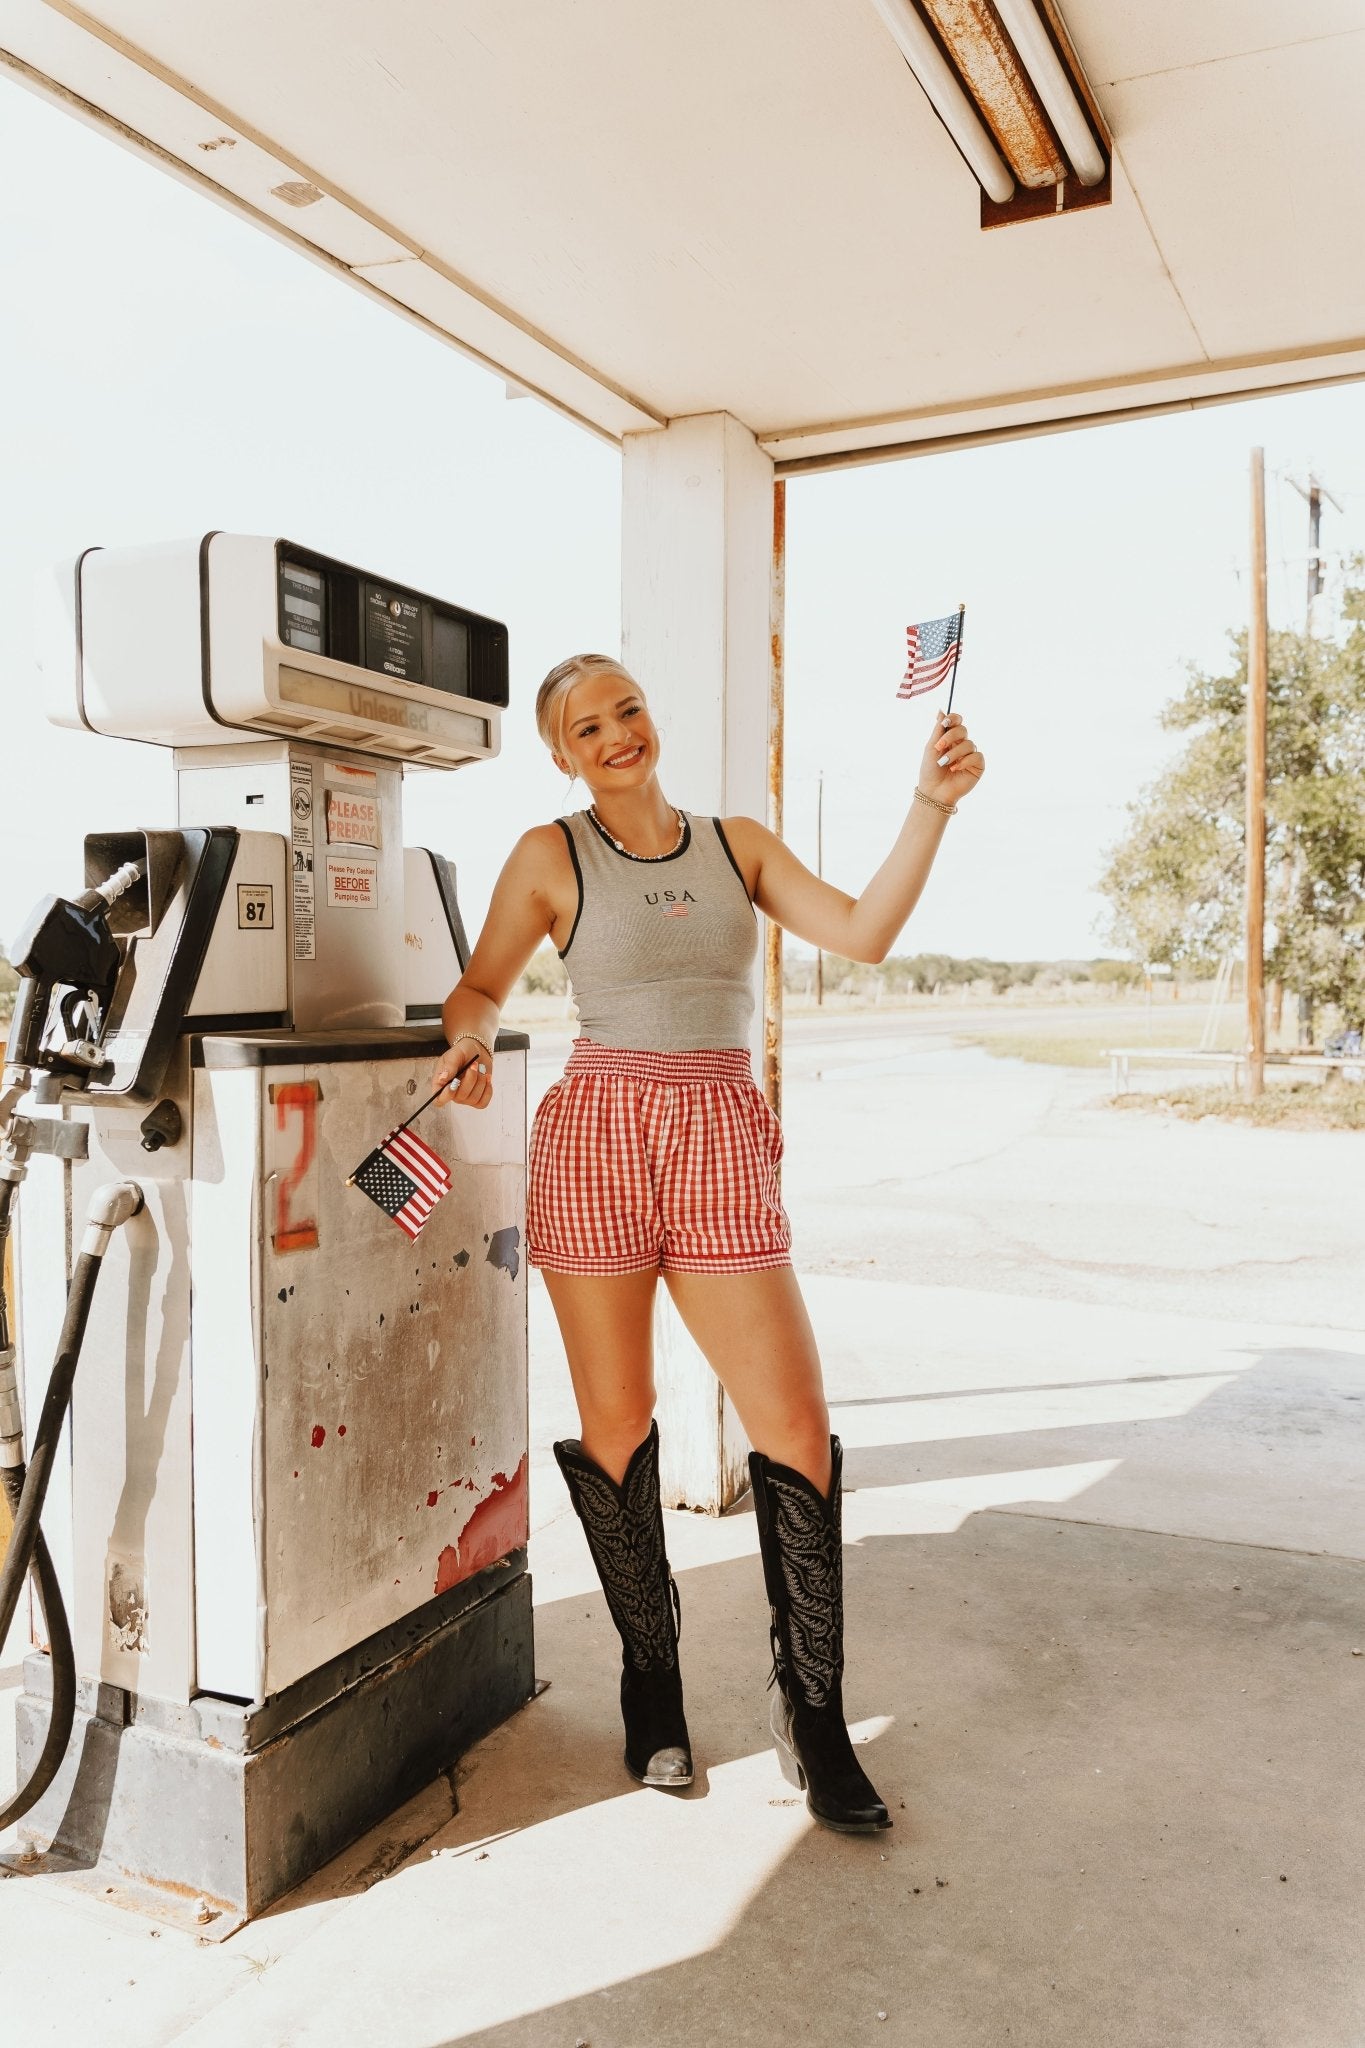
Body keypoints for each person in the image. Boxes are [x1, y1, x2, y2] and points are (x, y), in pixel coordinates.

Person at [432, 652, 985, 1833]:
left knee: (791, 1423)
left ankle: (817, 1714)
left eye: (628, 707)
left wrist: (928, 806)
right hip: (596, 1138)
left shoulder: (737, 844)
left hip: (720, 1133)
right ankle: (653, 1683)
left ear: (650, 715)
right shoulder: (549, 853)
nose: (617, 732)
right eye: (588, 725)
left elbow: (865, 929)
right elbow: (478, 987)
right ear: (562, 752)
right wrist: (471, 1035)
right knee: (621, 1422)